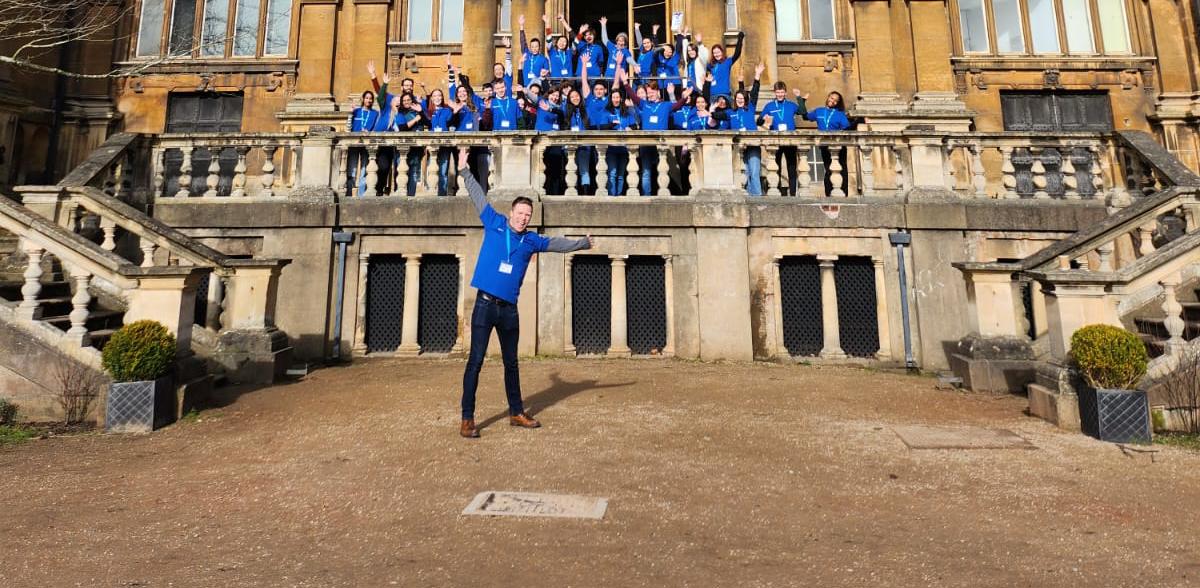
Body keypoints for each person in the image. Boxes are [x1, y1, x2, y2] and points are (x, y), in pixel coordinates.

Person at [456, 148, 594, 438]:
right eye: (519, 213)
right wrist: (465, 170)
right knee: (476, 362)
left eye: (527, 215)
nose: (523, 218)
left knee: (511, 363)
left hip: (509, 310)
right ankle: (467, 418)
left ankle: (516, 411)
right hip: (484, 304)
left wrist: (581, 243)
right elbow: (478, 196)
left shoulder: (531, 240)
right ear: (511, 213)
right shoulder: (494, 224)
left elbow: (555, 244)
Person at [759, 79, 807, 196]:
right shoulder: (770, 106)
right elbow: (759, 120)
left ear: (785, 93)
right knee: (776, 166)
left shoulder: (790, 104)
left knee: (792, 166)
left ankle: (793, 193)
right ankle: (777, 191)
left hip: (790, 139)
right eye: (778, 92)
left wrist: (799, 97)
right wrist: (763, 118)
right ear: (775, 93)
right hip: (775, 139)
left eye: (782, 92)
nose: (780, 94)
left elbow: (802, 111)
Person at [802, 91, 853, 196]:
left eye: (835, 100)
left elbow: (847, 129)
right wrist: (802, 101)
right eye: (832, 98)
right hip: (824, 145)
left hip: (839, 145)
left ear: (837, 103)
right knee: (828, 170)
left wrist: (859, 121)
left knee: (842, 170)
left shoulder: (840, 114)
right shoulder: (819, 111)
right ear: (828, 97)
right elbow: (805, 117)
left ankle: (844, 195)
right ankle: (828, 195)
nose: (832, 101)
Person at [730, 63, 764, 195]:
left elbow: (753, 93)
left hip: (753, 144)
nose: (740, 100)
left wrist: (757, 76)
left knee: (754, 172)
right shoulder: (731, 112)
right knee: (742, 173)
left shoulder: (750, 107)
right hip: (738, 146)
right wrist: (711, 111)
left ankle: (757, 199)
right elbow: (718, 115)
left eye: (742, 98)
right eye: (737, 98)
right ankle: (745, 198)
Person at [597, 85, 637, 195]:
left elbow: (634, 126)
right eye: (614, 97)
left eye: (617, 97)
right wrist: (611, 124)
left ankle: (618, 196)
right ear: (611, 99)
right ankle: (612, 196)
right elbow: (602, 127)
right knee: (612, 173)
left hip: (624, 148)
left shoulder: (627, 111)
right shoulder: (606, 111)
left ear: (621, 98)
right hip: (612, 147)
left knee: (620, 174)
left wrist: (630, 128)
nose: (616, 99)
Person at [706, 30, 744, 100]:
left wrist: (740, 39)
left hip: (724, 94)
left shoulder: (727, 62)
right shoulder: (710, 65)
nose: (716, 54)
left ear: (722, 52)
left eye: (718, 52)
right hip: (712, 95)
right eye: (714, 53)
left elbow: (737, 54)